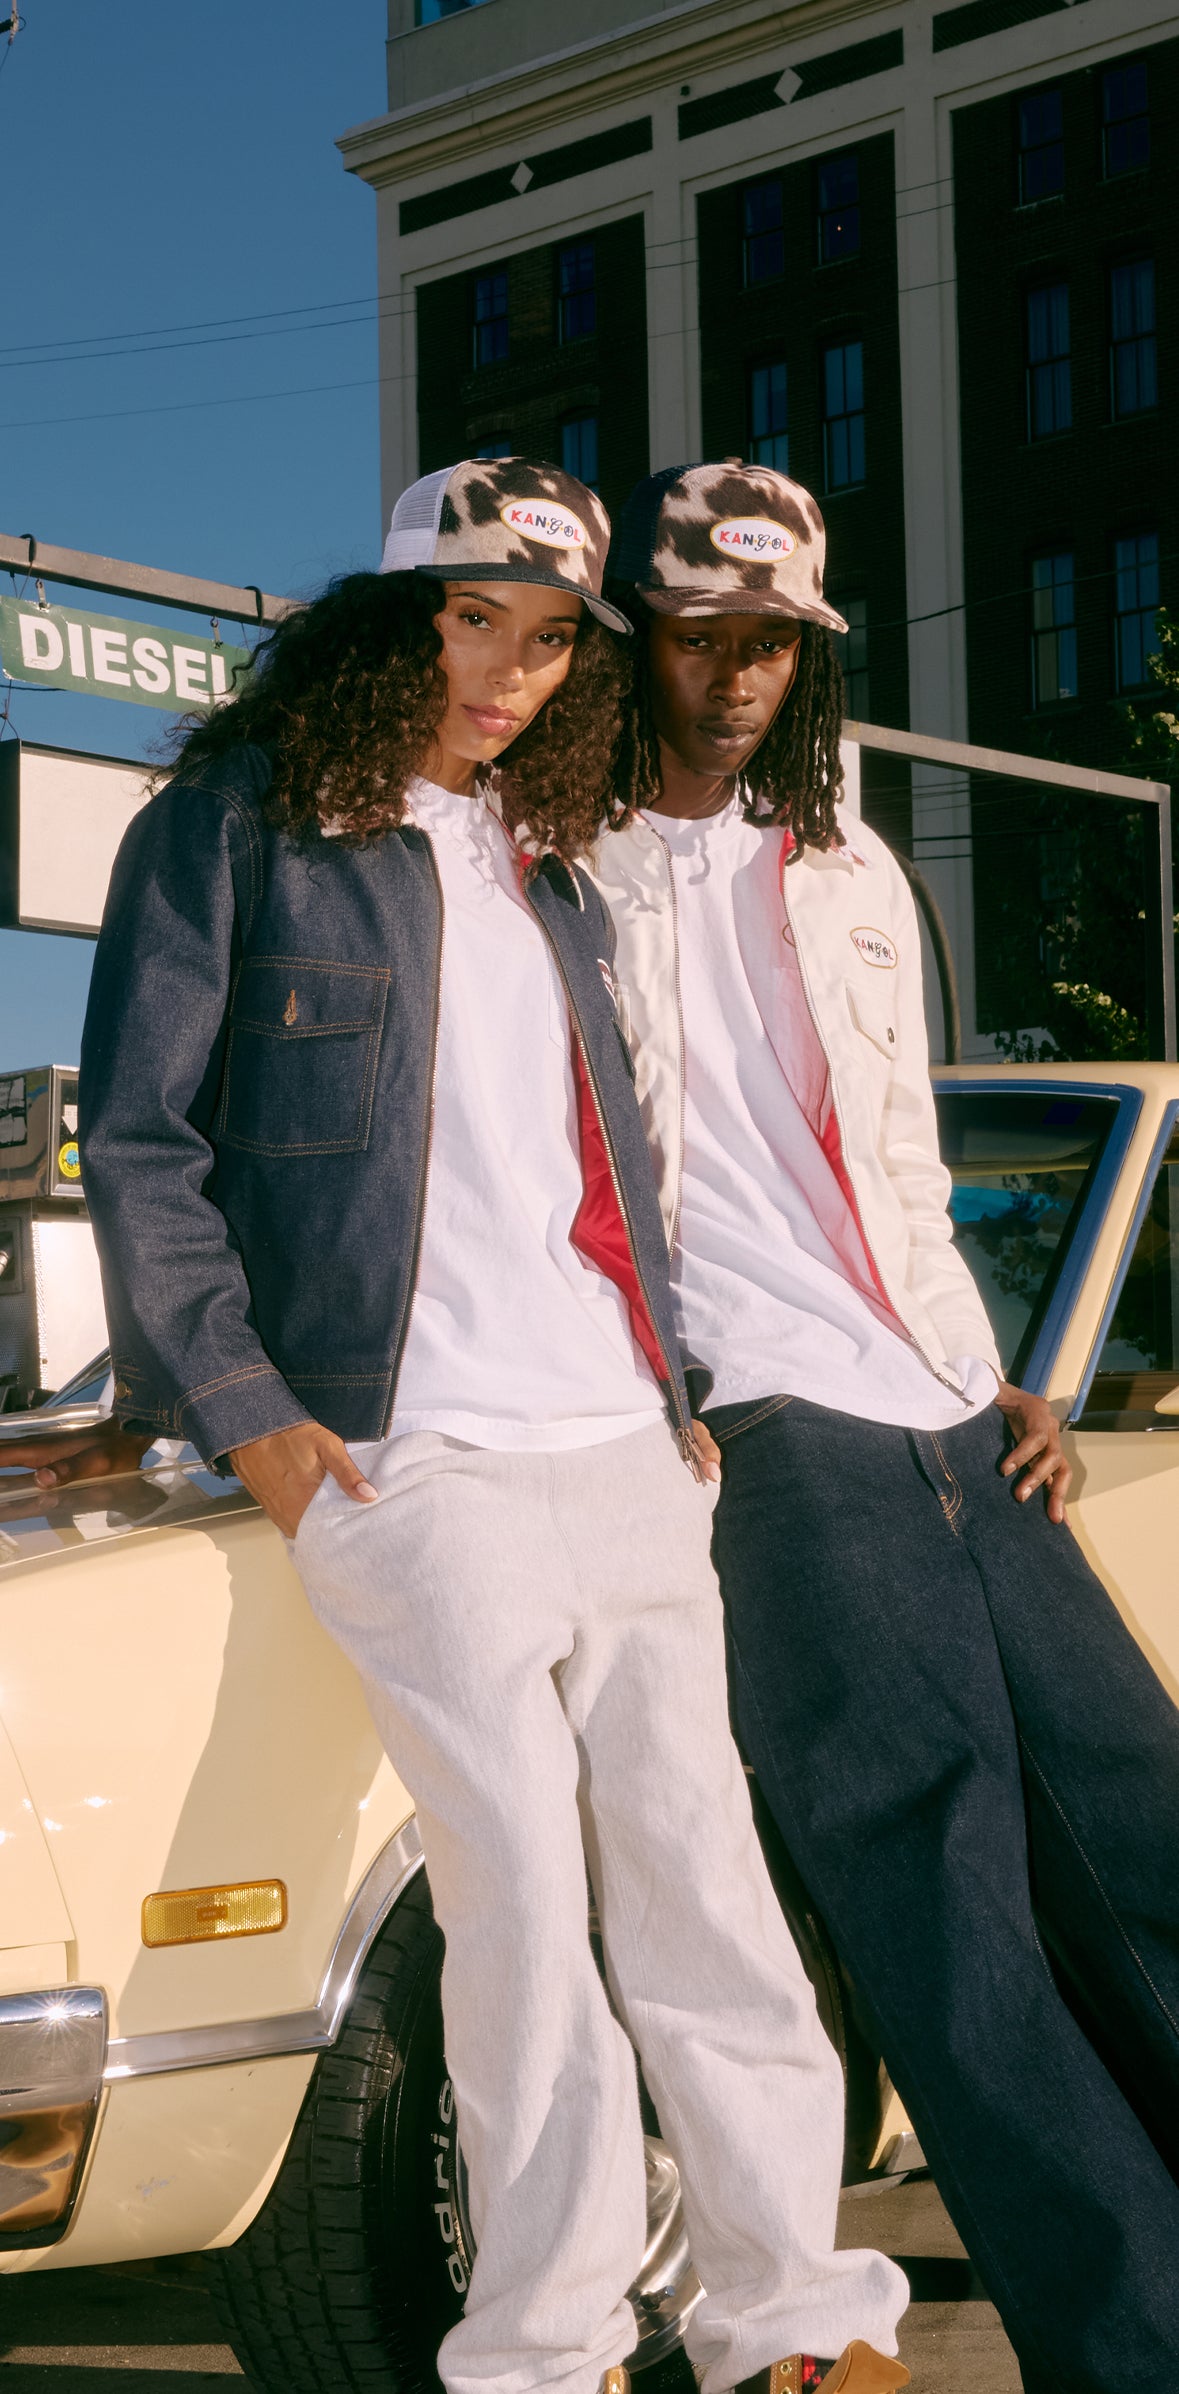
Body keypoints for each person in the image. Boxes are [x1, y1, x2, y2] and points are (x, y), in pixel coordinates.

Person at [63, 460, 909, 2394]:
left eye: (550, 641)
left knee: (706, 1886)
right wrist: (256, 1417)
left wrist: (672, 1386)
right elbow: (142, 1141)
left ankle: (790, 2309)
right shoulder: (237, 829)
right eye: (476, 623)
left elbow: (603, 1162)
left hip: (615, 1443)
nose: (514, 673)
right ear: (393, 617)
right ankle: (542, 2348)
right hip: (401, 1452)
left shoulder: (555, 872)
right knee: (518, 1904)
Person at [590, 458, 1179, 2394]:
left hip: (942, 1407)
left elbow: (901, 1158)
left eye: (772, 639)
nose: (739, 672)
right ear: (642, 638)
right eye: (702, 634)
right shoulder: (556, 868)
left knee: (1138, 1832)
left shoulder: (850, 863)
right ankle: (1127, 2341)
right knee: (939, 1896)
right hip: (769, 1427)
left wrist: (998, 1360)